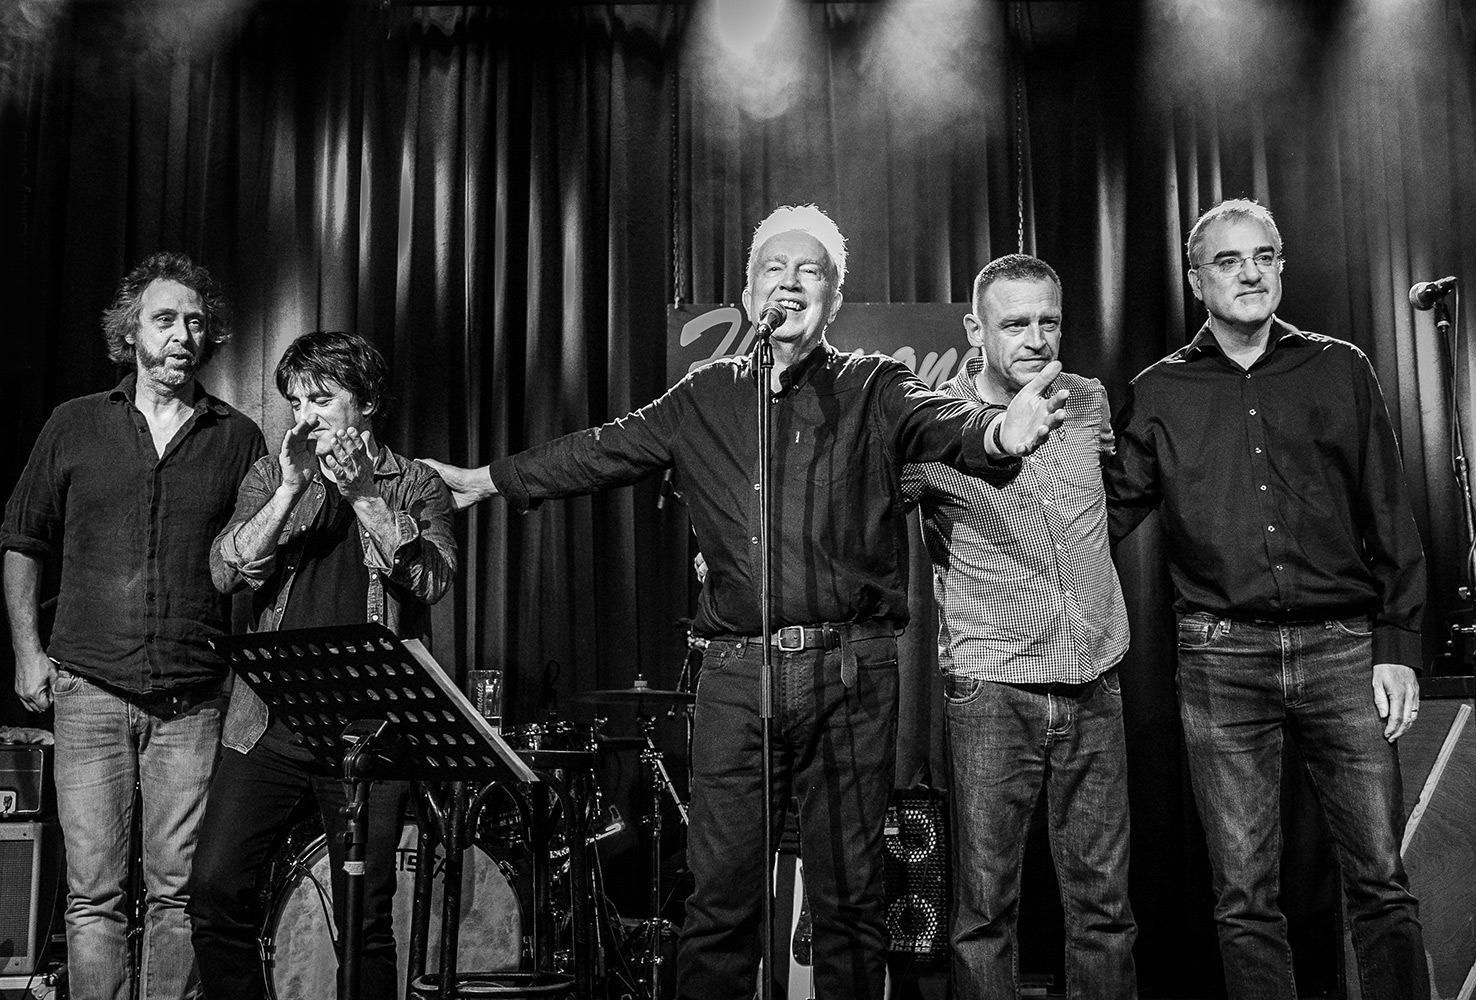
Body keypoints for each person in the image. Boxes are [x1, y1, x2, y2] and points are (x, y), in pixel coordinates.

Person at [421, 204, 1067, 1000]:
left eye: (810, 272)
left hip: (850, 674)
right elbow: (601, 449)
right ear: (748, 291)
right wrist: (486, 480)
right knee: (720, 904)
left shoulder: (875, 385)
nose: (790, 283)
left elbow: (947, 422)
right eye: (774, 269)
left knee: (851, 905)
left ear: (834, 297)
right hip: (735, 675)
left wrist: (999, 434)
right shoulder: (705, 396)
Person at [1106, 199, 1429, 1000]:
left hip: (1343, 649)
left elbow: (1389, 509)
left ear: (1280, 265)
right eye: (1228, 260)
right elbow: (1098, 516)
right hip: (1220, 658)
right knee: (1244, 894)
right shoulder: (1159, 390)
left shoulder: (1340, 368)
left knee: (1381, 877)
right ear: (1196, 280)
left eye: (1264, 256)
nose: (1250, 273)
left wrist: (1398, 645)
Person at [2, 253, 267, 1000]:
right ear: (131, 332)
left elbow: (254, 566)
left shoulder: (237, 437)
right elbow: (22, 539)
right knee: (94, 898)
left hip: (193, 698)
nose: (183, 334)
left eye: (195, 322)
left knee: (178, 896)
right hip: (88, 688)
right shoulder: (75, 423)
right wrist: (27, 653)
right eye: (165, 319)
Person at [186, 331, 456, 1000]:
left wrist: (364, 496)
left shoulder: (415, 483)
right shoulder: (269, 475)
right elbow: (225, 571)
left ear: (366, 403)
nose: (303, 418)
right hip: (270, 725)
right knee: (215, 890)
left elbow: (432, 580)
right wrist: (290, 488)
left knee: (365, 921)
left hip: (369, 735)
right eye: (295, 402)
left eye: (321, 400)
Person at [902, 254, 1136, 999]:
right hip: (994, 686)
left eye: (1049, 321)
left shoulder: (1086, 400)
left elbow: (1109, 499)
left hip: (1096, 677)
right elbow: (862, 511)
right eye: (1015, 323)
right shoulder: (933, 427)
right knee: (985, 910)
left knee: (1105, 908)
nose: (1036, 338)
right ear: (976, 330)